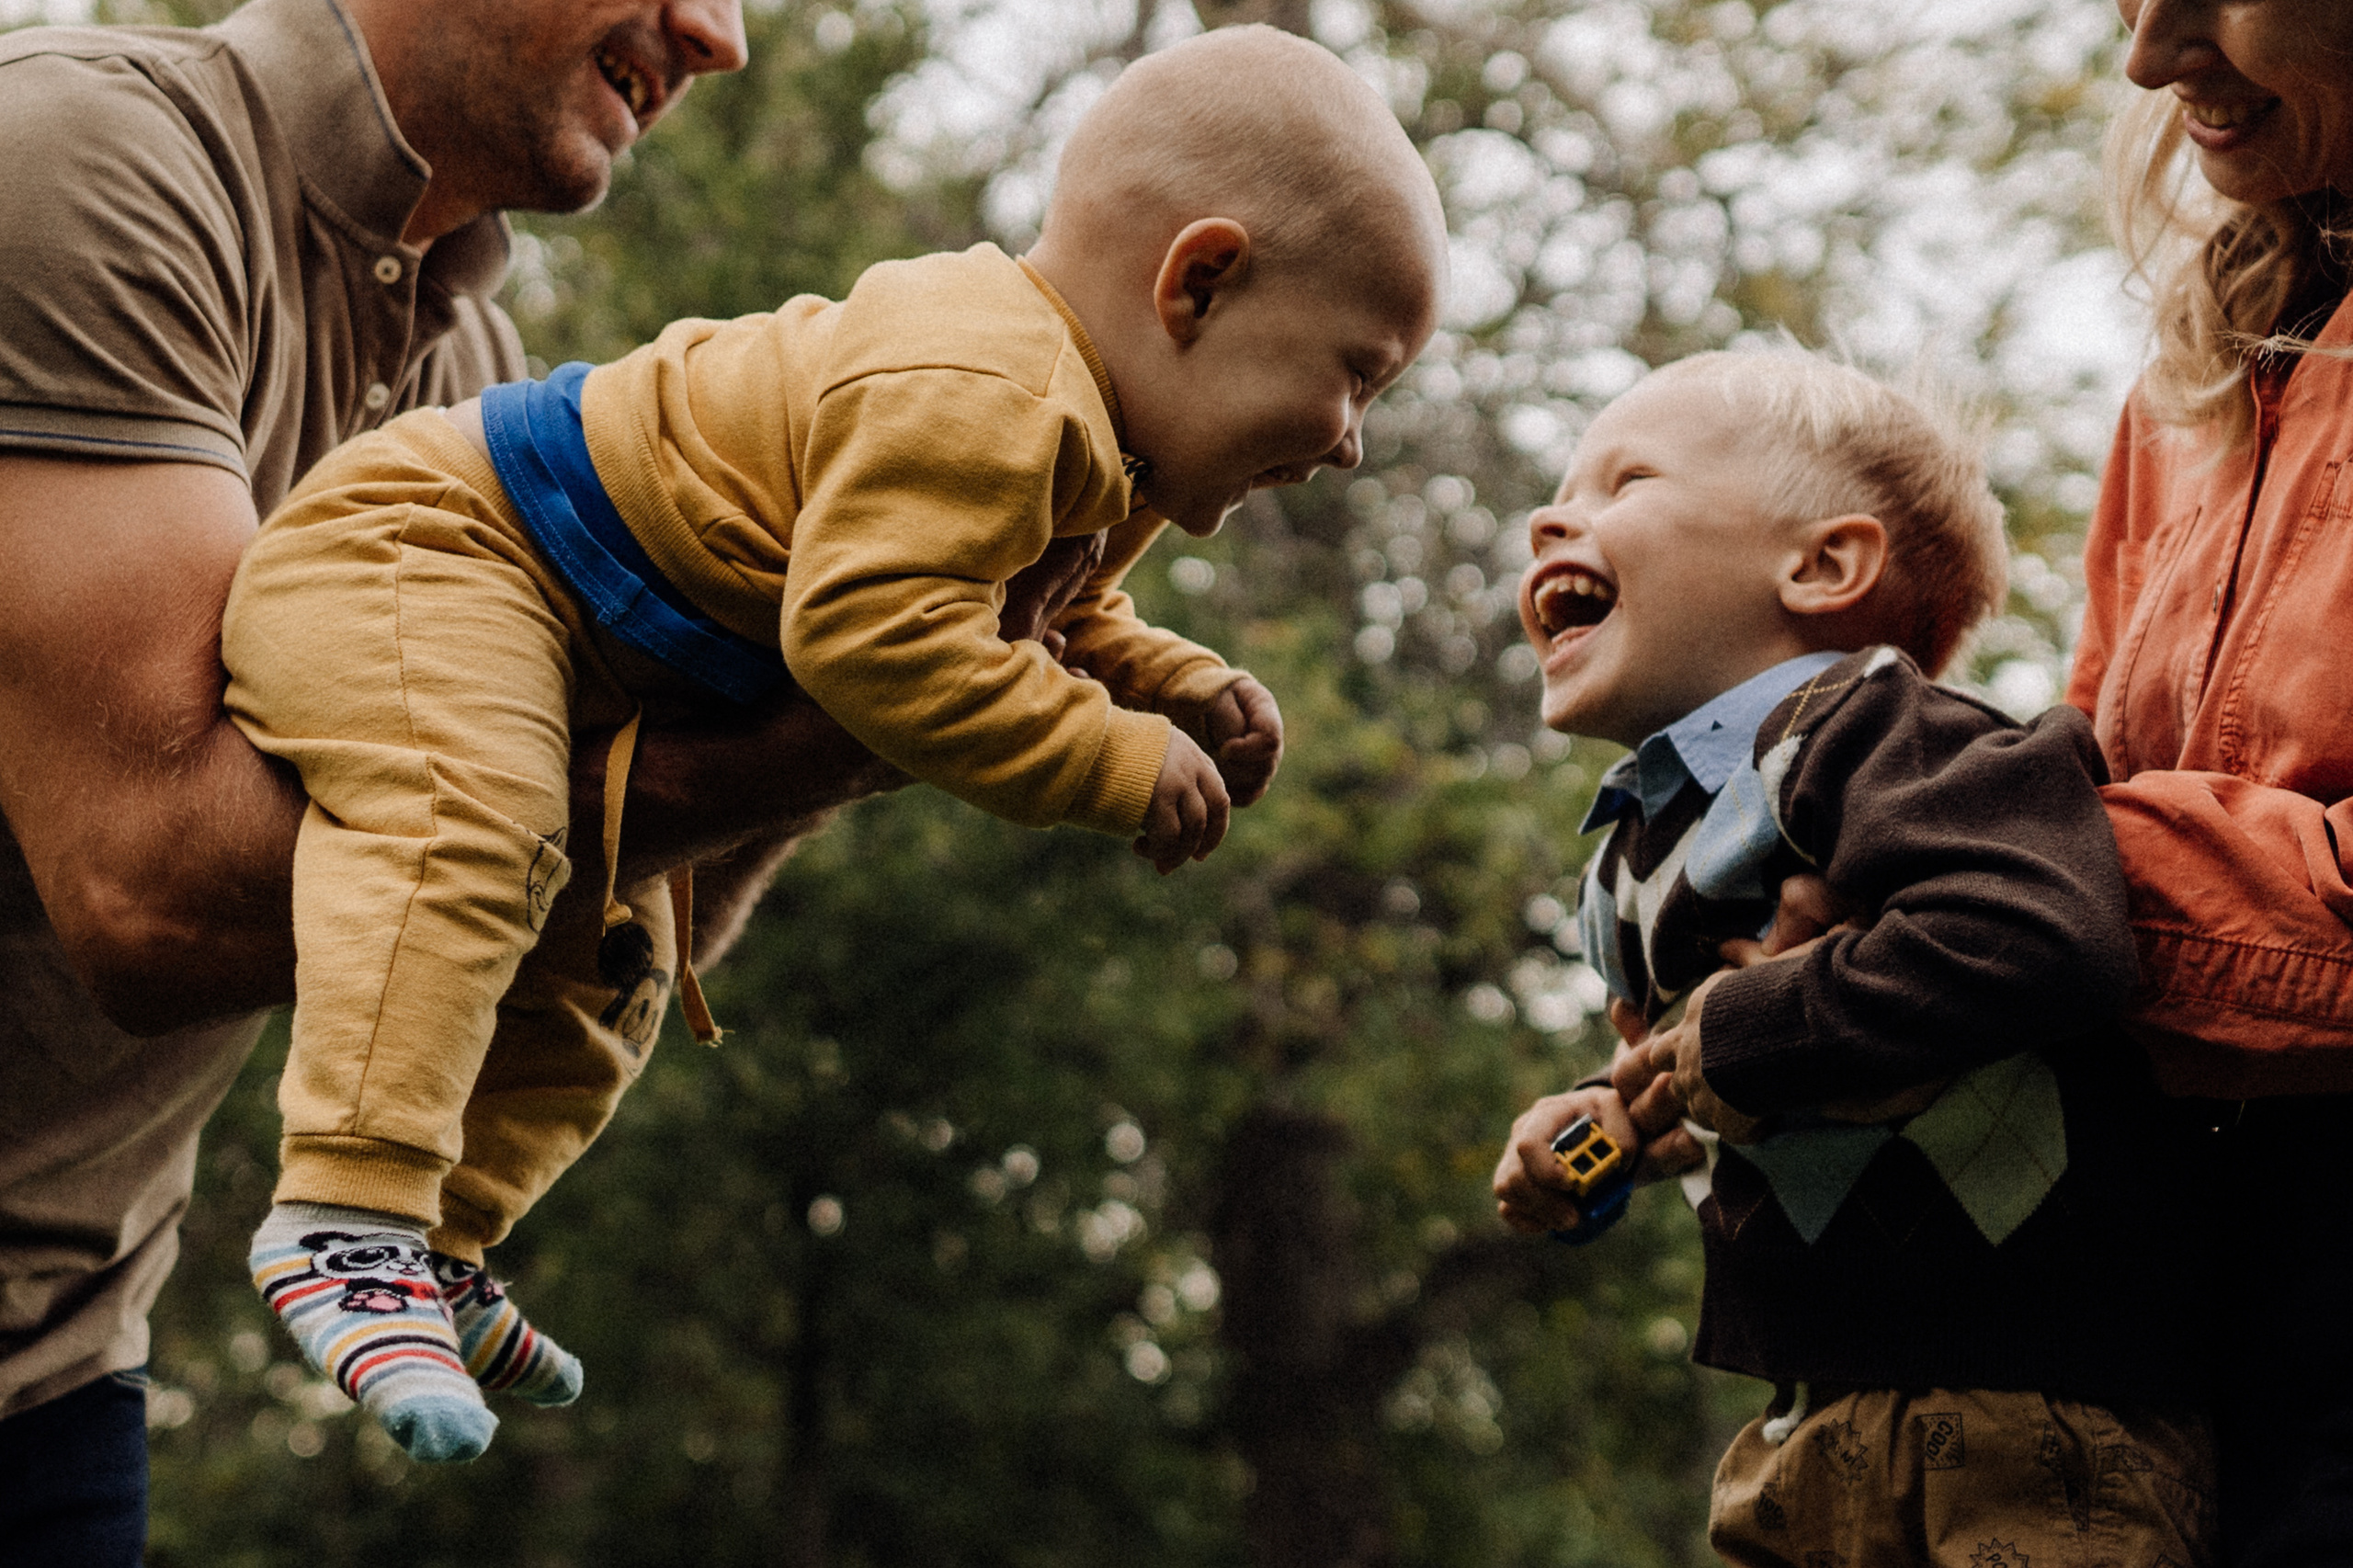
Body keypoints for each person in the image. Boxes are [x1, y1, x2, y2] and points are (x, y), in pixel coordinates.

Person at [216, 21, 1445, 1464]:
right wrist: (1110, 760)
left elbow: (1044, 613)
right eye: (1357, 375)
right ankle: (348, 1215)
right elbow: (870, 632)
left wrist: (1164, 681)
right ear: (1200, 280)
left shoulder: (1091, 451)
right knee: (471, 819)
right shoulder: (983, 391)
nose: (1352, 437)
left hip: (570, 620)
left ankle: (445, 1234)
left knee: (619, 950)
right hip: (433, 547)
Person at [0, 0, 919, 1556]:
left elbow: (528, 936)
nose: (719, 35)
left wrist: (841, 673)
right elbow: (147, 895)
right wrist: (813, 740)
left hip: (63, 1372)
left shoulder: (477, 375)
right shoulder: (85, 157)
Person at [1489, 350, 2217, 1565]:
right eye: (1565, 491)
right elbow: (1713, 1071)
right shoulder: (1640, 850)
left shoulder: (1896, 737)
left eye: (1624, 481)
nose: (1552, 517)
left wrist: (1742, 1031)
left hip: (2034, 1403)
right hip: (1811, 1416)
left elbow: (2042, 930)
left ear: (1824, 565)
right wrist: (1600, 1129)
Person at [2086, 2, 2353, 1561]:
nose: (2148, 51)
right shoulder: (2185, 383)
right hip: (2190, 1309)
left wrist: (2020, 877)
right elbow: (2090, 746)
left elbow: (2078, 843)